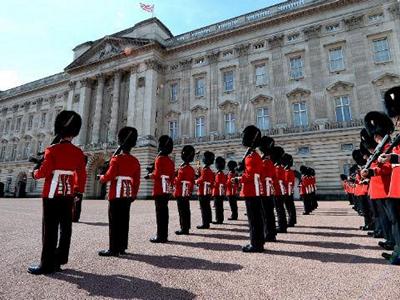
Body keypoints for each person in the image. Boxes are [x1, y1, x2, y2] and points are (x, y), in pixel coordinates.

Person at [28, 110, 86, 275]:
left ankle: (46, 264)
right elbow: (81, 176)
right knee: (66, 228)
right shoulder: (78, 152)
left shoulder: (52, 150)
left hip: (52, 194)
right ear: (74, 133)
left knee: (50, 228)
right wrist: (78, 192)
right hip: (68, 194)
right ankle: (59, 260)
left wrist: (34, 172)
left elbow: (44, 172)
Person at [98, 127, 140, 256]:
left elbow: (110, 176)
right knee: (124, 221)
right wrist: (133, 194)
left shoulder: (116, 159)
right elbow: (137, 181)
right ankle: (122, 247)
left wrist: (101, 178)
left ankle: (113, 248)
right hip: (127, 194)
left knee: (114, 222)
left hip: (116, 193)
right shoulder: (135, 161)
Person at [361, 112, 395, 252]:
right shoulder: (380, 149)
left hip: (387, 186)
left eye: (376, 135)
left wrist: (371, 172)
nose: (375, 138)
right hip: (379, 187)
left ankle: (394, 243)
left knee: (392, 218)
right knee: (383, 215)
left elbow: (388, 167)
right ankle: (391, 241)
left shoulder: (390, 147)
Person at [378, 86, 400, 264]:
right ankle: (397, 251)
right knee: (395, 221)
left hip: (396, 185)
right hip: (395, 186)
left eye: (398, 117)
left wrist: (391, 157)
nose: (397, 122)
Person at [235, 125, 264, 252]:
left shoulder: (251, 156)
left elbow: (250, 175)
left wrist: (238, 178)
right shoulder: (254, 155)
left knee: (254, 219)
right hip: (254, 190)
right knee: (256, 218)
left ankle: (255, 244)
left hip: (251, 190)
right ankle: (258, 242)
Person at [145, 135, 175, 243]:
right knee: (164, 212)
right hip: (166, 188)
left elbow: (157, 174)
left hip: (159, 188)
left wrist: (149, 175)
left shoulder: (159, 159)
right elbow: (172, 176)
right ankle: (164, 235)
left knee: (159, 213)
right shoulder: (170, 161)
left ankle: (160, 236)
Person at [174, 145, 196, 235]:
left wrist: (173, 178)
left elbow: (178, 181)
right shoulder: (191, 169)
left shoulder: (183, 169)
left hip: (181, 191)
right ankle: (186, 227)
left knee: (182, 210)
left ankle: (184, 228)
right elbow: (192, 181)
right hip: (187, 191)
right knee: (186, 210)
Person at [258, 136, 277, 242]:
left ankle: (269, 234)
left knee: (265, 214)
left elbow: (261, 177)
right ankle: (271, 232)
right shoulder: (270, 162)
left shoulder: (265, 162)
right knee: (269, 213)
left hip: (263, 190)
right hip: (269, 190)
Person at [195, 151, 215, 229]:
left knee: (203, 208)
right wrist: (197, 159)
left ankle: (205, 224)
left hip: (203, 190)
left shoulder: (205, 169)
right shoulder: (209, 169)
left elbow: (202, 179)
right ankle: (209, 220)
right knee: (207, 206)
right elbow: (198, 169)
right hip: (208, 190)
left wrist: (196, 181)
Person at [271, 146, 288, 233]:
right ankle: (283, 225)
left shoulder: (277, 168)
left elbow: (276, 180)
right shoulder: (280, 166)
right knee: (280, 209)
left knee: (279, 209)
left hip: (277, 191)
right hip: (279, 190)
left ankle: (282, 226)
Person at [72, 155, 88, 223]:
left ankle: (74, 217)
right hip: (78, 189)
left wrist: (76, 189)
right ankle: (75, 217)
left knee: (75, 205)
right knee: (77, 205)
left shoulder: (79, 168)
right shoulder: (82, 168)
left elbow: (77, 179)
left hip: (76, 189)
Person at [282, 153, 297, 227]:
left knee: (289, 207)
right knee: (289, 206)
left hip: (287, 191)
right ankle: (292, 220)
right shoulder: (288, 171)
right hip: (288, 190)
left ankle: (291, 221)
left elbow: (287, 182)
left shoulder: (288, 172)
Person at [213, 157, 227, 224]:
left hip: (217, 192)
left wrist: (212, 183)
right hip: (220, 192)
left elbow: (217, 184)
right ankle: (220, 219)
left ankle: (219, 220)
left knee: (218, 207)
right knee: (220, 206)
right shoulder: (222, 173)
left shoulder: (219, 174)